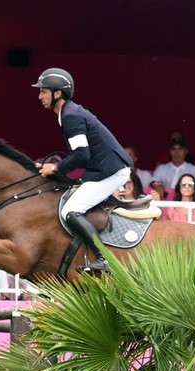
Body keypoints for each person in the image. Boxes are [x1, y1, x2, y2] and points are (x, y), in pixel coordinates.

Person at [33, 67, 131, 273]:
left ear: (57, 93)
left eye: (43, 91)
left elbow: (81, 155)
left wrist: (56, 167)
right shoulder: (68, 113)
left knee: (70, 210)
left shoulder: (70, 116)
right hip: (103, 169)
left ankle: (105, 259)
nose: (39, 95)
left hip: (111, 171)